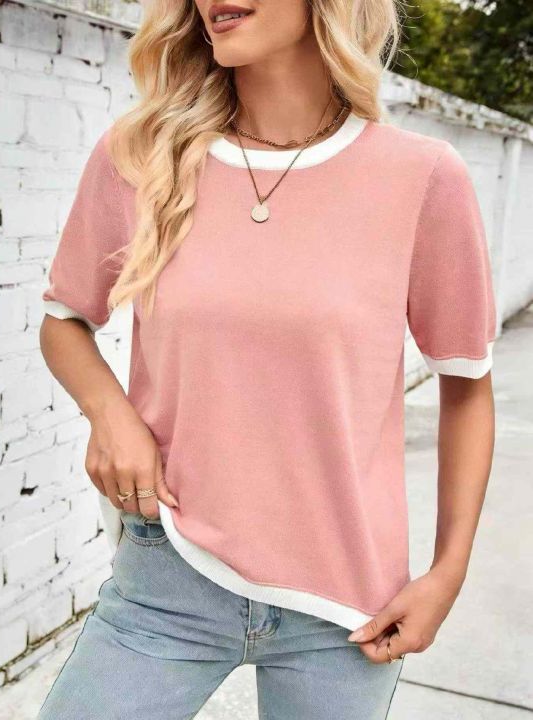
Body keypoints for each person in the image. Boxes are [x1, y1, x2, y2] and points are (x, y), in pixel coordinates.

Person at [37, 0, 497, 718]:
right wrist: (110, 415)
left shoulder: (421, 176)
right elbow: (63, 320)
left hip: (345, 606)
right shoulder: (141, 155)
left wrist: (448, 571)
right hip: (168, 577)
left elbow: (466, 387)